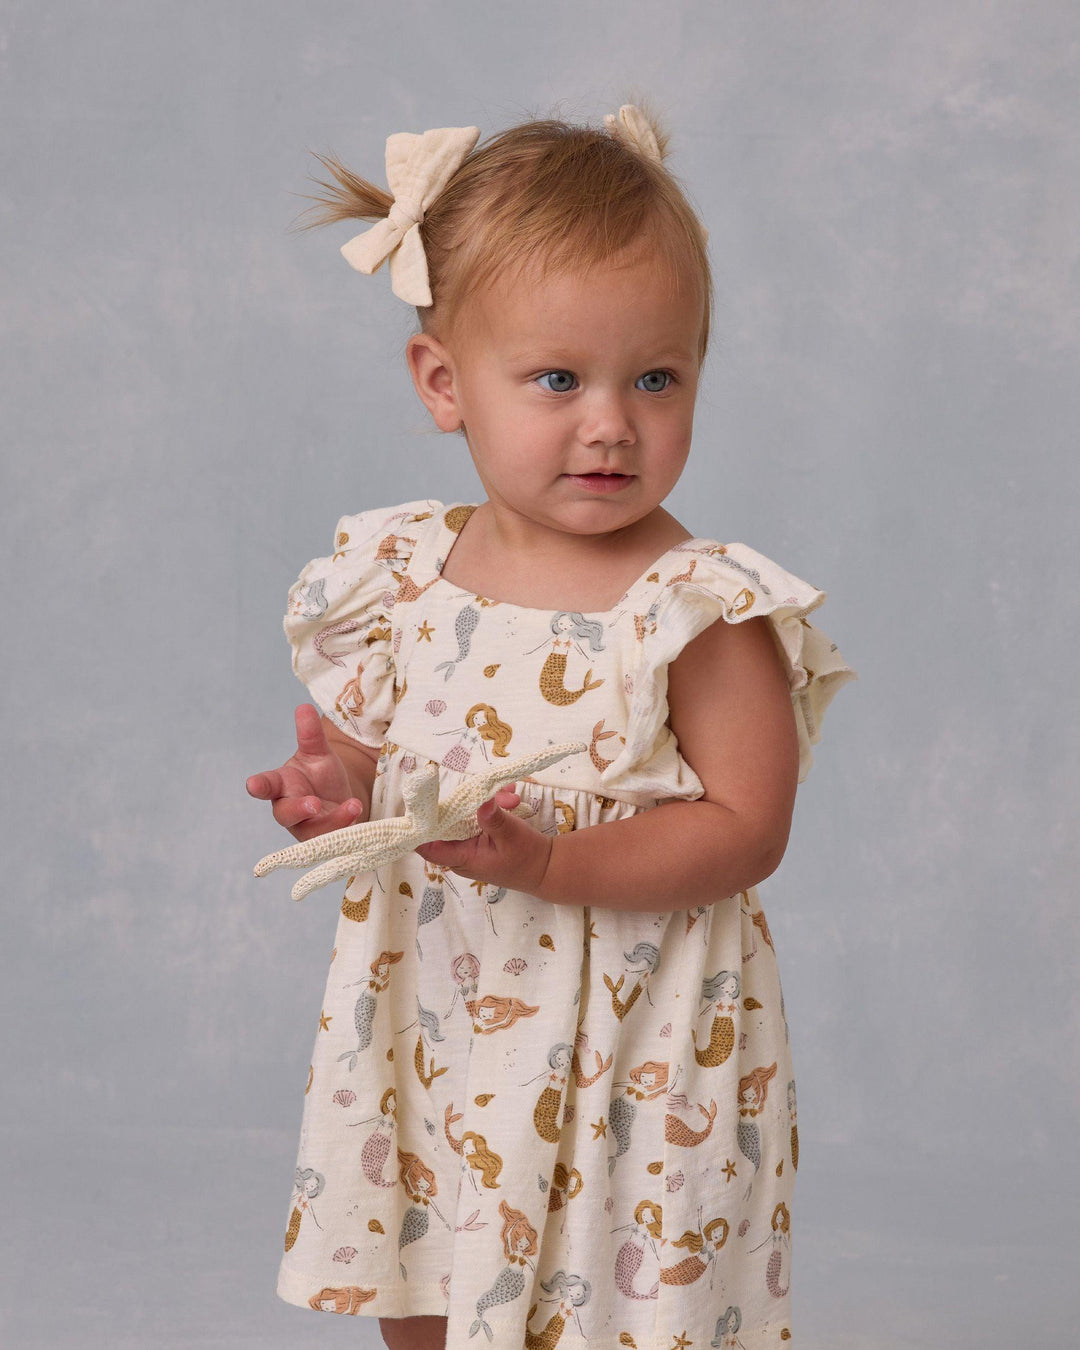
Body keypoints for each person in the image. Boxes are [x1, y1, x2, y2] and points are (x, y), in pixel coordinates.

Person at [246, 103, 856, 1350]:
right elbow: (398, 755)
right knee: (430, 1261)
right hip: (443, 1016)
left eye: (656, 377)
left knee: (623, 1300)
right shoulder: (408, 573)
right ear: (443, 385)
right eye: (557, 379)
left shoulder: (697, 609)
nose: (610, 423)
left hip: (635, 1044)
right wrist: (349, 787)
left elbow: (747, 825)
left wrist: (557, 865)